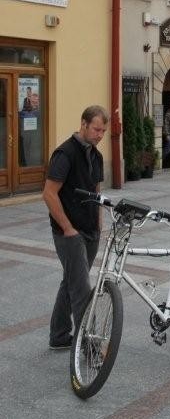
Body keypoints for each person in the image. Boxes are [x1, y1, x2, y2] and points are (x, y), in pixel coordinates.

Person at [42, 105, 109, 349]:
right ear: (83, 124)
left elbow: (96, 190)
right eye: (96, 129)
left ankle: (59, 336)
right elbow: (49, 194)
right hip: (69, 233)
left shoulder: (96, 154)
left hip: (90, 230)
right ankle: (88, 345)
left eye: (103, 130)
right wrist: (68, 229)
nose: (100, 135)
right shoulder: (65, 153)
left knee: (70, 281)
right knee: (81, 289)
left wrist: (99, 222)